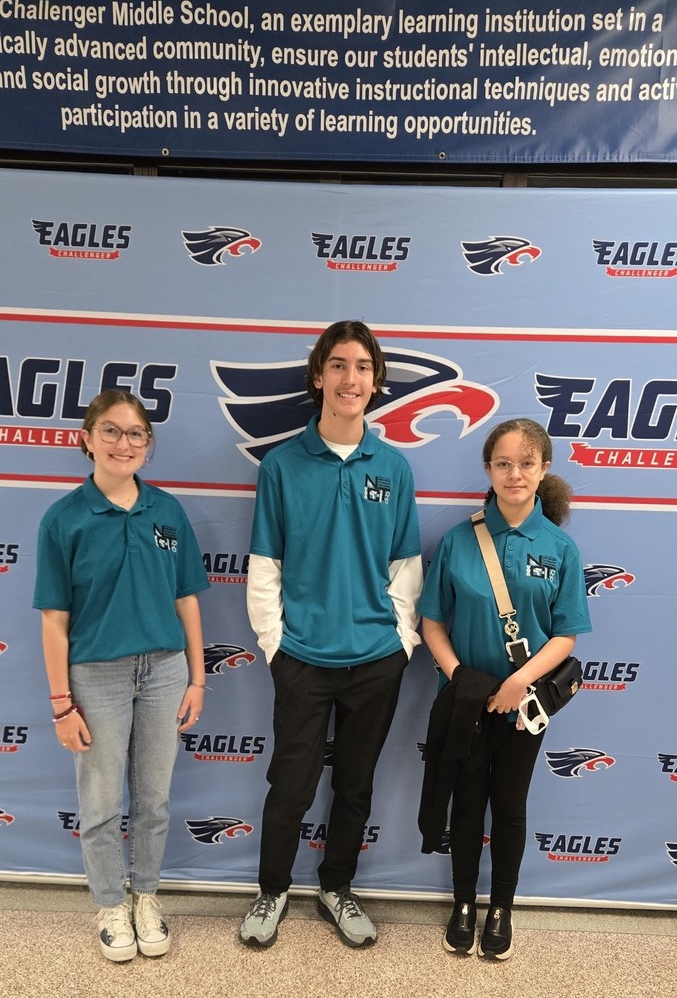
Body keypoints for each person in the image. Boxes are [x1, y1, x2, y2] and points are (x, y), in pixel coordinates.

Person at [240, 320, 422, 948]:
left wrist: (400, 642)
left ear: (376, 382)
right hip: (303, 659)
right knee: (290, 783)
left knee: (355, 784)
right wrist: (276, 646)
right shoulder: (283, 466)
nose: (352, 378)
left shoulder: (393, 468)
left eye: (363, 367)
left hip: (376, 658)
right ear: (319, 376)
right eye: (339, 365)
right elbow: (265, 565)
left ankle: (336, 887)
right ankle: (271, 892)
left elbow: (405, 567)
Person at [33, 389, 209, 963]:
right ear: (86, 439)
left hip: (164, 671)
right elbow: (55, 623)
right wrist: (61, 703)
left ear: (148, 445)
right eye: (110, 430)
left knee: (154, 800)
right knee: (103, 800)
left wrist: (198, 677)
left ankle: (147, 897)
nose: (123, 443)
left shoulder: (168, 511)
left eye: (136, 433)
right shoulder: (64, 519)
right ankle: (111, 903)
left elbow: (187, 600)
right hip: (96, 677)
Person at [417, 418, 591, 961]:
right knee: (466, 803)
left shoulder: (559, 547)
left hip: (525, 702)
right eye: (503, 463)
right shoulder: (458, 540)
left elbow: (565, 635)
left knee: (509, 805)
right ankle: (464, 903)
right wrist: (458, 676)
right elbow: (432, 623)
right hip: (468, 700)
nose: (514, 474)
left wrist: (519, 681)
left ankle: (502, 909)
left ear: (544, 469)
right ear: (488, 469)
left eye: (526, 463)